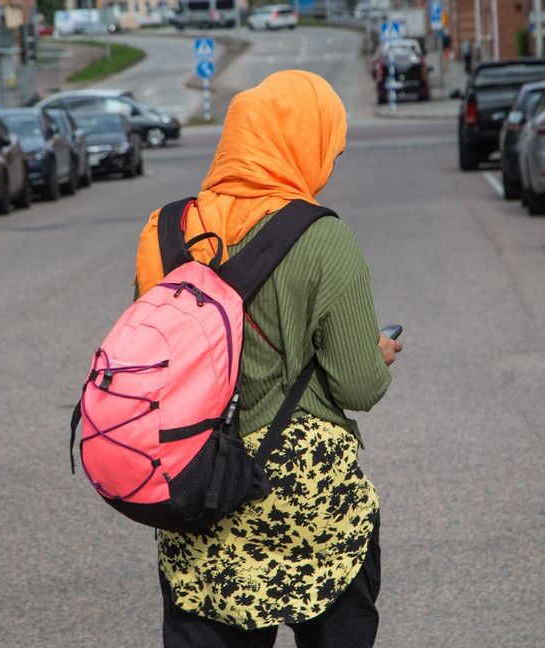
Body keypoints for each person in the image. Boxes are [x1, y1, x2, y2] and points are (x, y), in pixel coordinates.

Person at [132, 70, 402, 648]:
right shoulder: (322, 236)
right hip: (307, 495)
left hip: (197, 485)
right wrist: (374, 353)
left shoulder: (166, 229)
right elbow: (359, 387)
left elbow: (154, 360)